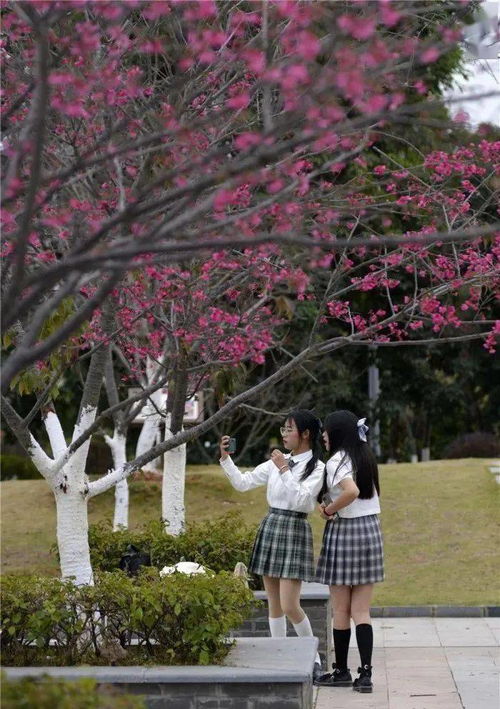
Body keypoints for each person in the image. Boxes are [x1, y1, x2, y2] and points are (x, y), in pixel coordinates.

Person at [219, 410, 325, 679]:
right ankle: (279, 654)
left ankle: (312, 655)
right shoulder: (279, 461)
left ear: (305, 434)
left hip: (294, 527)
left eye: (289, 429)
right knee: (274, 603)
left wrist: (284, 469)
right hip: (272, 524)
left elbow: (303, 501)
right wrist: (226, 459)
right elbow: (243, 483)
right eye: (283, 429)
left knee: (290, 604)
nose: (284, 434)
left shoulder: (317, 467)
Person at [314, 410, 383, 693]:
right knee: (361, 610)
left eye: (326, 430)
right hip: (370, 531)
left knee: (341, 609)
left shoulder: (337, 460)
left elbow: (351, 491)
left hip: (345, 532)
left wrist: (329, 509)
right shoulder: (364, 456)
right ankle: (365, 674)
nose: (323, 436)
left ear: (338, 433)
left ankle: (341, 671)